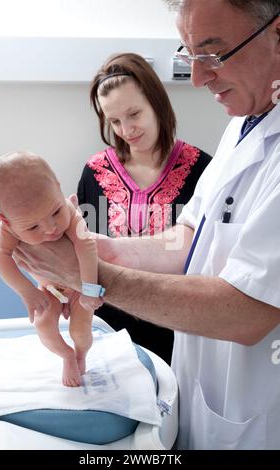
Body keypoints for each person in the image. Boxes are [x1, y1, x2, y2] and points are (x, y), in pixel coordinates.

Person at [12, 0, 280, 449]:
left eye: (214, 54)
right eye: (190, 56)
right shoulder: (244, 122)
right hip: (200, 394)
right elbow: (189, 237)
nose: (197, 78)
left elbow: (249, 310)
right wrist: (105, 249)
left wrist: (95, 277)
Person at [77, 52, 211, 363]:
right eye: (114, 121)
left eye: (134, 113)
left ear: (156, 103)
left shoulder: (202, 170)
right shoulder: (96, 173)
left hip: (179, 333)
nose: (126, 130)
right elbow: (87, 257)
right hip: (110, 336)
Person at [0, 151, 105, 387]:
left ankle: (81, 352)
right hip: (48, 289)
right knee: (43, 325)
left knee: (81, 330)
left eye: (55, 211)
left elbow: (86, 244)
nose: (51, 228)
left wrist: (90, 289)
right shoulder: (9, 229)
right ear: (6, 220)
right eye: (33, 226)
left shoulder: (71, 213)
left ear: (58, 190)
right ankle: (67, 355)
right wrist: (27, 292)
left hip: (78, 286)